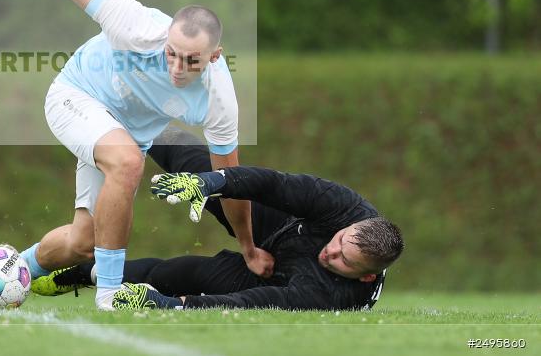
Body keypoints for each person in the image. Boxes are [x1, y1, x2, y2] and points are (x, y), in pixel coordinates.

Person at [0, 0, 273, 309]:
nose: (176, 68)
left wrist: (247, 247)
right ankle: (111, 294)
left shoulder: (220, 98)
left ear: (215, 56)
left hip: (122, 134)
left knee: (82, 242)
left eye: (191, 61)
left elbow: (229, 179)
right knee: (126, 162)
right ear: (166, 34)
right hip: (76, 96)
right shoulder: (136, 25)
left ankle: (10, 267)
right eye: (171, 53)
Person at [41, 128, 404, 311]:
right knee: (194, 165)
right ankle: (133, 121)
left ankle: (75, 275)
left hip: (280, 274)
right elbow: (272, 185)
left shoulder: (330, 295)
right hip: (280, 223)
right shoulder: (345, 208)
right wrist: (207, 184)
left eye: (344, 260)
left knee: (176, 275)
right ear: (351, 226)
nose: (331, 252)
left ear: (367, 275)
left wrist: (172, 304)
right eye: (340, 241)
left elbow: (253, 303)